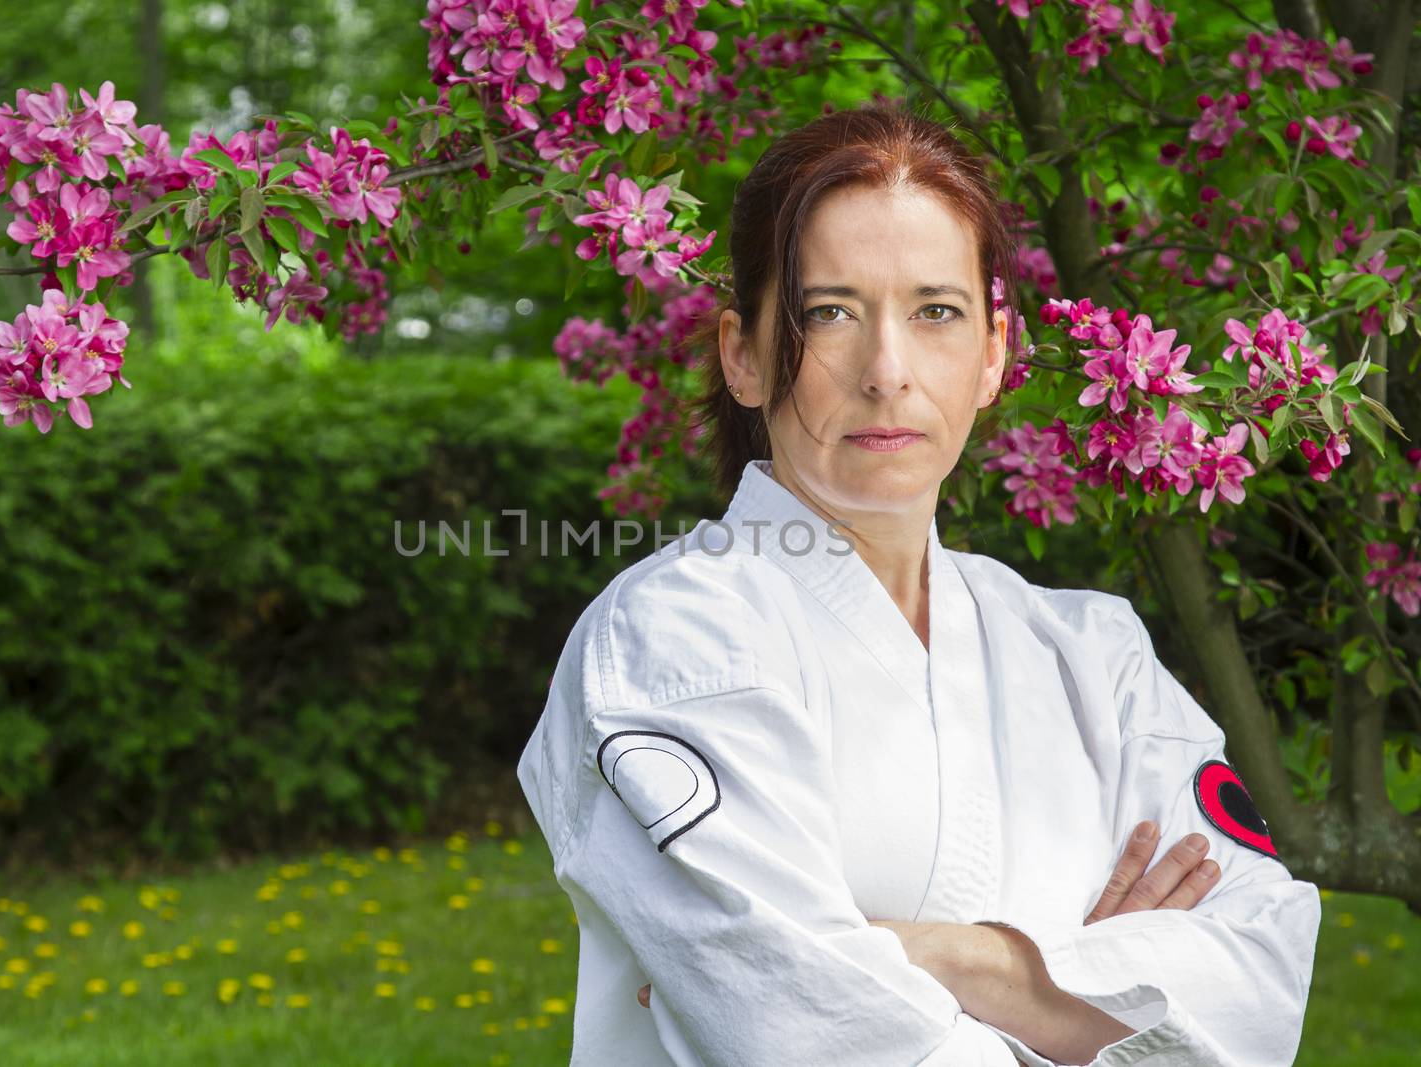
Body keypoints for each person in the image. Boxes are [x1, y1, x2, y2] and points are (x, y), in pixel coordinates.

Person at [515, 103, 1320, 1066]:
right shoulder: (676, 641)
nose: (887, 371)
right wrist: (1092, 997)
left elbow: (1262, 988)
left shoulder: (1093, 656)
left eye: (936, 311)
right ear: (741, 352)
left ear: (993, 352)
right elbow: (808, 1040)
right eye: (830, 313)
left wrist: (961, 963)